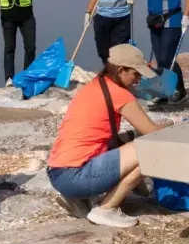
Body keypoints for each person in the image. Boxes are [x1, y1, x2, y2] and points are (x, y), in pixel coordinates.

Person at [46, 44, 173, 228]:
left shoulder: (95, 85)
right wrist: (171, 125)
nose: (138, 80)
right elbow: (152, 133)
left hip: (57, 172)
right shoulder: (120, 94)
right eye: (135, 74)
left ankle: (80, 201)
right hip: (75, 176)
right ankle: (107, 209)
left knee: (127, 138)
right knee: (150, 148)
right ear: (121, 70)